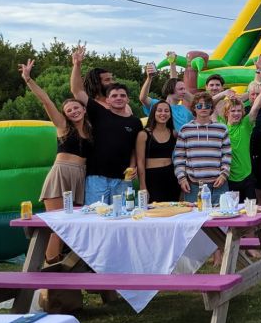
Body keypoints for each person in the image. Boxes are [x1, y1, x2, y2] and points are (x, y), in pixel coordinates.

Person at [20, 59, 91, 263]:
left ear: (84, 109)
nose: (73, 111)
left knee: (71, 226)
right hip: (61, 174)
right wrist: (28, 79)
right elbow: (46, 101)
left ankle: (60, 264)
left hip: (79, 177)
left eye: (76, 107)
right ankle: (48, 265)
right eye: (69, 110)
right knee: (58, 225)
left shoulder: (91, 131)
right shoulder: (62, 127)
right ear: (65, 115)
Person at [70, 44, 140, 205]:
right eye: (107, 80)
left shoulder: (130, 115)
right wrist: (77, 65)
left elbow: (132, 144)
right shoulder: (95, 108)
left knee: (124, 214)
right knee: (96, 215)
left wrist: (132, 166)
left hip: (122, 176)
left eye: (122, 95)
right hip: (98, 175)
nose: (112, 82)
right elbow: (77, 90)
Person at [174, 92, 232, 203]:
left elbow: (227, 155)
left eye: (207, 105)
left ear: (212, 109)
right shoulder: (185, 129)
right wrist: (182, 178)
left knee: (220, 214)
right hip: (193, 185)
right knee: (194, 214)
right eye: (199, 105)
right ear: (194, 108)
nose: (203, 108)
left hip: (218, 184)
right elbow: (179, 157)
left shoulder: (221, 129)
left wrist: (224, 175)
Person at [218, 86, 261, 201]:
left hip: (247, 177)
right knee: (231, 210)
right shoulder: (221, 126)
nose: (236, 113)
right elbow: (210, 104)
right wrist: (223, 93)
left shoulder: (245, 125)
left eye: (239, 111)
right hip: (227, 177)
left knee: (251, 209)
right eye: (233, 111)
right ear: (226, 113)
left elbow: (255, 107)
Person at [136, 99, 180, 203]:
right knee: (154, 210)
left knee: (173, 209)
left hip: (171, 176)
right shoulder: (143, 134)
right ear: (153, 113)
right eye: (159, 110)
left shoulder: (174, 133)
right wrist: (142, 186)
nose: (163, 113)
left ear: (170, 114)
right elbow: (140, 162)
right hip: (152, 178)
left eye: (166, 111)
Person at [139, 52, 194, 131]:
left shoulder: (184, 110)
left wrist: (172, 62)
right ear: (171, 88)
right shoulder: (157, 105)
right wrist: (149, 78)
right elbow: (143, 98)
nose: (184, 92)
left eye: (184, 89)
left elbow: (197, 102)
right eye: (181, 89)